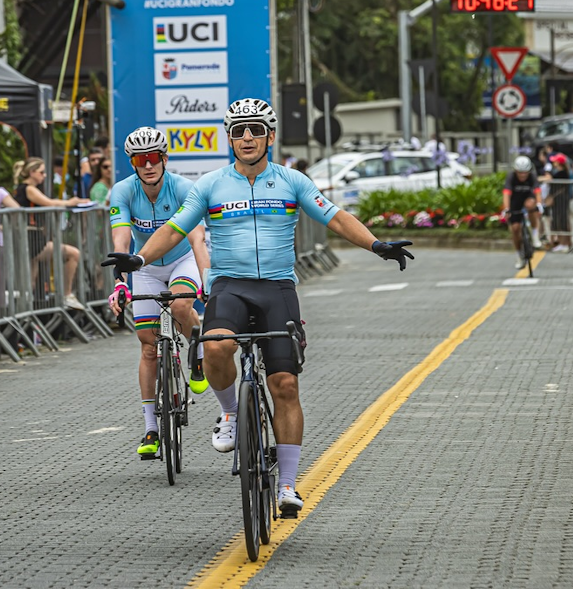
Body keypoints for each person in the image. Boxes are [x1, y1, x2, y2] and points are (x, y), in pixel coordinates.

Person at [103, 98, 413, 518]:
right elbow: (176, 228)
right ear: (228, 138)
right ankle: (230, 413)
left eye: (254, 130)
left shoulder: (292, 181)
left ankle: (287, 484)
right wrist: (138, 260)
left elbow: (335, 217)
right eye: (238, 131)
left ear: (270, 135)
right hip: (229, 285)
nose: (246, 138)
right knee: (213, 347)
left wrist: (376, 244)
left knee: (284, 384)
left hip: (278, 289)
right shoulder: (211, 184)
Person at [105, 126, 212, 460]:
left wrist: (206, 279)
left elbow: (196, 238)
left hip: (182, 261)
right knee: (149, 347)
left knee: (182, 305)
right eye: (141, 159)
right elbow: (121, 240)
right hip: (146, 267)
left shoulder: (184, 188)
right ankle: (151, 426)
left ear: (165, 159)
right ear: (133, 163)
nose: (148, 165)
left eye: (154, 158)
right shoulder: (121, 192)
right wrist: (120, 281)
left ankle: (197, 352)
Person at [13, 156, 90, 310]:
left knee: (30, 282)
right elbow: (49, 203)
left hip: (33, 237)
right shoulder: (28, 189)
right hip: (30, 238)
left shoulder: (27, 188)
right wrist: (72, 202)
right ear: (32, 172)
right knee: (73, 253)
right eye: (42, 172)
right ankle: (66, 294)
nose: (45, 175)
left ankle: (26, 311)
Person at [501, 155, 543, 268]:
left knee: (531, 205)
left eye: (525, 172)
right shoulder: (511, 177)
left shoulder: (532, 177)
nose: (523, 175)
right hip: (515, 201)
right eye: (520, 172)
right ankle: (518, 255)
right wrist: (506, 209)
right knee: (515, 229)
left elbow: (537, 191)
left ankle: (535, 235)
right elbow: (506, 194)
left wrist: (539, 204)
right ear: (515, 171)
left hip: (528, 198)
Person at [542, 153, 573, 251]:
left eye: (555, 161)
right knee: (558, 221)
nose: (553, 163)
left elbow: (550, 180)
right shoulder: (561, 172)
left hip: (560, 200)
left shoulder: (562, 173)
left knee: (561, 221)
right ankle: (562, 243)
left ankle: (564, 243)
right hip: (559, 200)